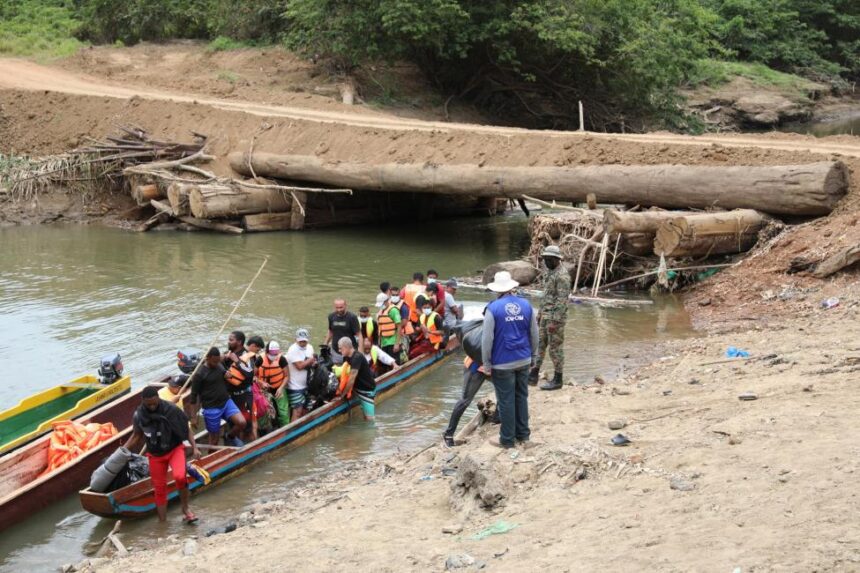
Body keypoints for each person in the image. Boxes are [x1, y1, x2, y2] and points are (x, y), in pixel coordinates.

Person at [124, 385, 200, 523]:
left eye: (154, 403)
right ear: (143, 401)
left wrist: (194, 448)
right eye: (149, 404)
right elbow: (136, 435)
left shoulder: (171, 409)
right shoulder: (139, 415)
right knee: (159, 488)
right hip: (155, 455)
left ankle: (185, 509)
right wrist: (122, 451)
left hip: (174, 449)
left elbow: (186, 428)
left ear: (158, 398)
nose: (152, 407)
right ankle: (163, 523)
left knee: (180, 476)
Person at [481, 271, 538, 449]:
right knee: (521, 397)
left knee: (506, 400)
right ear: (513, 287)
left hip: (502, 362)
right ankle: (524, 436)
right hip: (523, 359)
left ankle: (507, 440)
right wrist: (534, 356)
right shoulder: (526, 305)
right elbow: (534, 333)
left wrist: (486, 363)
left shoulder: (493, 308)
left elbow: (486, 339)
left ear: (497, 290)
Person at [529, 245, 572, 391]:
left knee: (555, 349)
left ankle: (558, 379)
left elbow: (562, 301)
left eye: (548, 259)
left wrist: (555, 321)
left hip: (555, 318)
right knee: (539, 345)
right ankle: (534, 374)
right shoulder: (549, 272)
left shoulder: (562, 276)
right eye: (544, 259)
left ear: (556, 260)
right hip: (545, 315)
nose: (545, 261)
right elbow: (546, 296)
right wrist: (540, 314)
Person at [188, 347, 247, 447]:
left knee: (242, 422)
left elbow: (223, 366)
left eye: (218, 361)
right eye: (214, 362)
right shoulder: (199, 374)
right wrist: (193, 417)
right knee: (214, 439)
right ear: (207, 358)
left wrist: (226, 373)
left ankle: (230, 437)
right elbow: (194, 396)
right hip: (211, 407)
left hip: (226, 402)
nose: (216, 364)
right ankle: (212, 454)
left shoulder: (219, 363)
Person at [442, 356, 486, 447]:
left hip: (495, 367)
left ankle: (498, 417)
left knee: (504, 392)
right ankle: (449, 434)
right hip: (476, 367)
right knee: (465, 401)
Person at [224, 336, 257, 443]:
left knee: (246, 424)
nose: (229, 342)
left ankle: (246, 446)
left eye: (231, 340)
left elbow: (249, 373)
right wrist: (224, 359)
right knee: (233, 423)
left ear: (239, 342)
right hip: (231, 396)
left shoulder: (247, 356)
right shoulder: (228, 354)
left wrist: (237, 361)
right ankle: (233, 441)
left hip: (244, 395)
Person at [335, 337, 377, 421]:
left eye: (340, 348)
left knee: (369, 419)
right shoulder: (346, 357)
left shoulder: (357, 357)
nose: (339, 351)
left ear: (346, 347)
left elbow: (351, 379)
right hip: (357, 389)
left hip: (367, 390)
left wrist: (342, 395)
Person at [255, 340, 290, 427]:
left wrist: (281, 388)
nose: (274, 356)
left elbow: (287, 376)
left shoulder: (281, 359)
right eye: (272, 354)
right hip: (264, 390)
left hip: (278, 388)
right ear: (267, 352)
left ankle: (285, 429)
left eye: (275, 354)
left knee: (284, 412)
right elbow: (253, 376)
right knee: (263, 411)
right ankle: (265, 430)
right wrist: (261, 382)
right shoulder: (260, 359)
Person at [286, 330, 317, 421]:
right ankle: (293, 431)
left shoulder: (310, 347)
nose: (303, 343)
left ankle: (303, 429)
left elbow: (312, 362)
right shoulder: (292, 350)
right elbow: (299, 366)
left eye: (304, 341)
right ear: (296, 339)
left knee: (306, 408)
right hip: (294, 386)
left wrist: (314, 362)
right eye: (300, 341)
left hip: (307, 385)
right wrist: (311, 360)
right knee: (297, 411)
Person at [325, 299, 361, 364]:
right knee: (337, 371)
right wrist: (325, 344)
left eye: (341, 307)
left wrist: (361, 352)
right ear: (334, 307)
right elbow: (330, 331)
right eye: (337, 308)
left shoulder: (352, 317)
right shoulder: (331, 316)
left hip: (349, 351)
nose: (339, 310)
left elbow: (359, 335)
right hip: (336, 351)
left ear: (345, 306)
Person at [375, 291, 403, 362]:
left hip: (392, 342)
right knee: (385, 363)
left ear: (386, 301)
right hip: (384, 342)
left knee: (394, 362)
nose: (381, 306)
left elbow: (399, 327)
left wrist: (397, 344)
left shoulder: (393, 310)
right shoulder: (381, 311)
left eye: (382, 304)